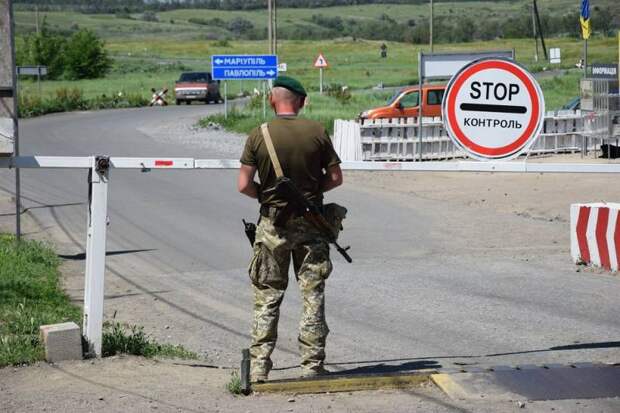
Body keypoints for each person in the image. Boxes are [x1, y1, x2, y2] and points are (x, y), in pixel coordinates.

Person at [237, 76, 343, 382]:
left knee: (267, 295)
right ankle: (312, 366)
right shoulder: (317, 132)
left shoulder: (260, 135)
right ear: (302, 101)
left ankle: (258, 367)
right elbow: (336, 178)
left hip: (272, 225)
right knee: (313, 294)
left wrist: (269, 197)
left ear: (272, 99)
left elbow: (243, 184)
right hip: (312, 224)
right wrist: (310, 196)